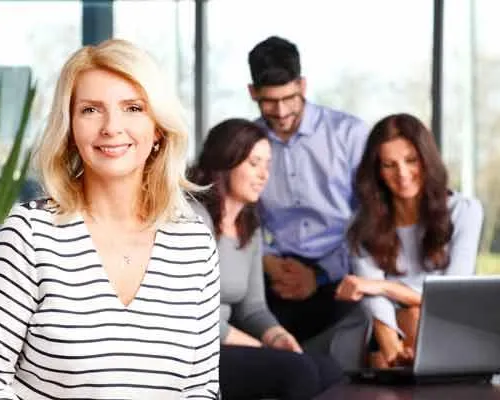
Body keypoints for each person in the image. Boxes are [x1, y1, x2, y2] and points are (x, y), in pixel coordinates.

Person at [0, 39, 220, 399]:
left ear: (158, 127)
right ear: (69, 130)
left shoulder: (194, 244)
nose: (111, 127)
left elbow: (202, 389)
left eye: (133, 108)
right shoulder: (30, 233)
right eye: (91, 110)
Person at [189, 118, 344, 400]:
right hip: (193, 349)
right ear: (225, 162)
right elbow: (192, 315)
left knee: (329, 370)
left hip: (226, 344)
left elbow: (253, 308)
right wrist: (255, 347)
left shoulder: (249, 227)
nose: (264, 175)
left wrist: (277, 337)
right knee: (298, 372)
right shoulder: (193, 217)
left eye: (267, 164)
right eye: (254, 163)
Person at [247, 36, 370, 345]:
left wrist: (319, 274)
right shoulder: (247, 142)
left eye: (289, 98)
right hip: (275, 274)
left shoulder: (350, 135)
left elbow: (370, 219)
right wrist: (268, 261)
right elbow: (240, 215)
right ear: (252, 93)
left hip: (342, 271)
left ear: (303, 85)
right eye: (269, 101)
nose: (281, 112)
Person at [336, 113, 484, 369]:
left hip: (448, 320)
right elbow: (372, 299)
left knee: (414, 317)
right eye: (389, 165)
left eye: (411, 160)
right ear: (377, 171)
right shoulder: (361, 224)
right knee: (394, 337)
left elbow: (452, 296)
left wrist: (382, 287)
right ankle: (396, 360)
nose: (402, 174)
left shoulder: (465, 211)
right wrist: (391, 345)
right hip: (384, 324)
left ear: (427, 160)